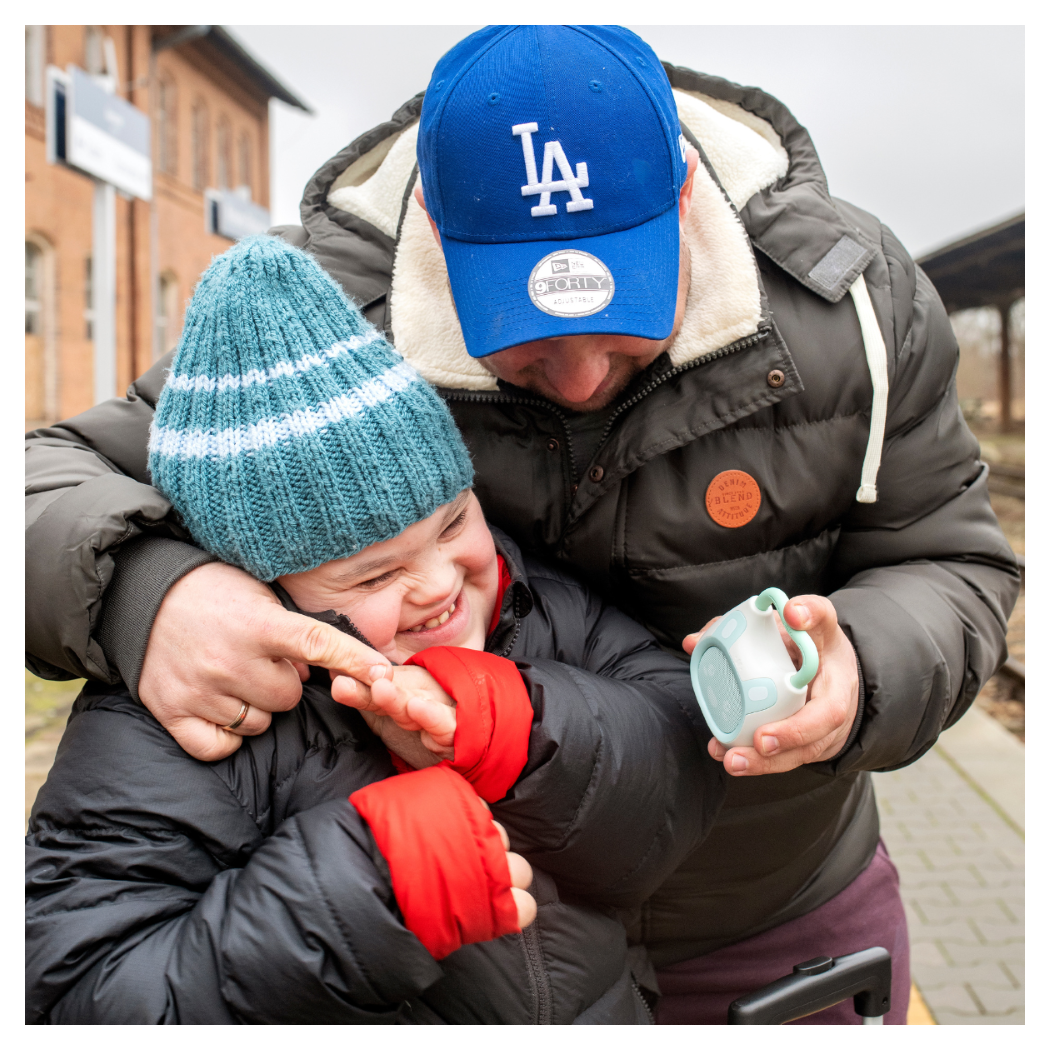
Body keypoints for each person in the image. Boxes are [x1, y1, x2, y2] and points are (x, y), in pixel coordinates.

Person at [25, 25, 1018, 1024]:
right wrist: (151, 594)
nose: (582, 379)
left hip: (775, 906)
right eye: (529, 342)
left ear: (680, 195)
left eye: (621, 320)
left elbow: (948, 555)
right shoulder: (311, 325)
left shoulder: (851, 301)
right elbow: (44, 478)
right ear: (434, 232)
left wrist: (867, 671)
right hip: (452, 962)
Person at [26, 236, 724, 1025]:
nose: (438, 584)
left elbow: (676, 764)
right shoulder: (180, 725)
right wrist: (360, 895)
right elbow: (78, 991)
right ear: (261, 585)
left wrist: (529, 733)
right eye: (372, 575)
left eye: (454, 520)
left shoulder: (534, 603)